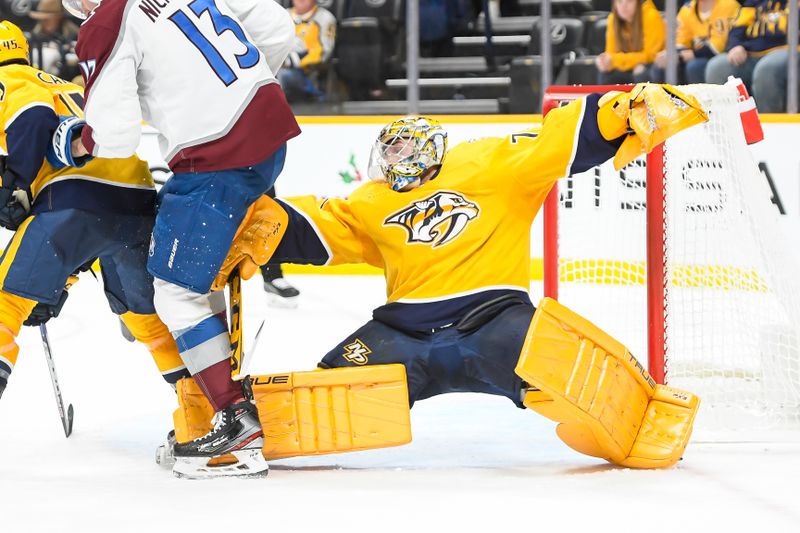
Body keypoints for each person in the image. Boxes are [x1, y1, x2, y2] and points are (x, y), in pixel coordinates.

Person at [214, 83, 705, 469]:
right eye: (389, 153)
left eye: (403, 151)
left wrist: (616, 110)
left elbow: (558, 139)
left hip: (493, 322)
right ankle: (244, 431)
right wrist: (261, 223)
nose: (392, 162)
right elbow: (323, 226)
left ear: (428, 148)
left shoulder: (490, 163)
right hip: (401, 334)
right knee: (324, 391)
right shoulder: (373, 198)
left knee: (570, 367)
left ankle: (647, 425)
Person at [54, 0, 300, 478]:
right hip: (267, 137)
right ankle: (214, 403)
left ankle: (235, 420)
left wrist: (72, 143)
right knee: (197, 279)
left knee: (174, 292)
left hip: (216, 160)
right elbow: (276, 26)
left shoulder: (105, 21)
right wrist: (234, 95)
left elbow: (114, 137)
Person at [0, 20, 188, 402]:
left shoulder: (10, 80)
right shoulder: (64, 85)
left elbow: (32, 118)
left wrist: (15, 183)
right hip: (135, 200)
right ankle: (199, 417)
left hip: (73, 200)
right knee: (148, 322)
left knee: (4, 304)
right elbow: (88, 235)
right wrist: (55, 284)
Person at [705, 0, 797, 112]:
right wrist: (736, 46)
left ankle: (768, 125)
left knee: (766, 69)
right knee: (718, 67)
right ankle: (725, 124)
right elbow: (737, 28)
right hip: (751, 54)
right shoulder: (753, 2)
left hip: (789, 51)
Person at [650, 0, 740, 84]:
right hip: (694, 55)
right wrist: (669, 54)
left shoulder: (728, 4)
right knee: (661, 65)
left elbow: (718, 47)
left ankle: (702, 100)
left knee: (694, 66)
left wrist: (683, 56)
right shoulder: (687, 9)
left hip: (726, 55)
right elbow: (680, 42)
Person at [596, 0, 665, 84]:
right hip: (626, 66)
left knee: (641, 72)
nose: (624, 6)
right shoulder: (612, 19)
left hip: (650, 65)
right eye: (619, 2)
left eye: (629, 1)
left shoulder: (651, 16)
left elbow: (651, 56)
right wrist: (604, 62)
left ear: (638, 3)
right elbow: (610, 53)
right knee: (605, 73)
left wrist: (614, 60)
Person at [281, 0, 336, 102]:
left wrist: (294, 61)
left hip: (308, 73)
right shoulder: (281, 15)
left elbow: (324, 52)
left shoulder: (325, 17)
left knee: (283, 75)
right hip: (279, 64)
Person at [27, 0, 81, 81]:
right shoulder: (33, 38)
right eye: (41, 19)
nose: (43, 22)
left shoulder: (74, 37)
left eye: (47, 19)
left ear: (58, 17)